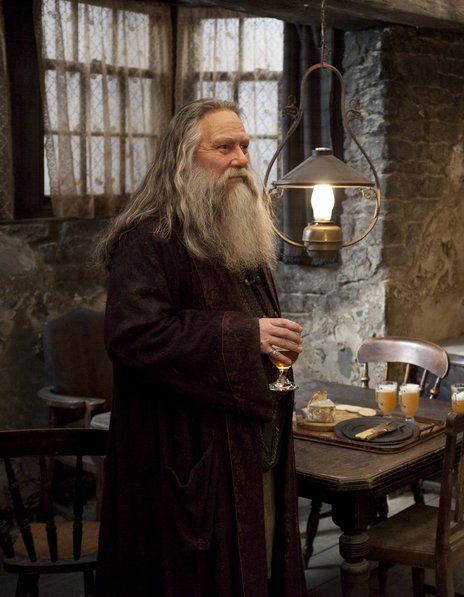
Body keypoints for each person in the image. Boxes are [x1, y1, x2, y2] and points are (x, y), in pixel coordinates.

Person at [93, 99, 306, 597]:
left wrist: (270, 342)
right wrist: (247, 336)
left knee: (260, 569)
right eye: (224, 147)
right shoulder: (149, 237)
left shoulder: (234, 224)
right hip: (186, 459)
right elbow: (133, 336)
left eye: (245, 146)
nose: (241, 159)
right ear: (182, 158)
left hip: (250, 449)